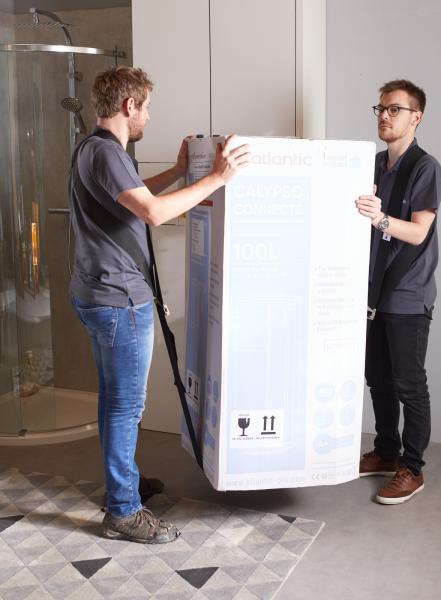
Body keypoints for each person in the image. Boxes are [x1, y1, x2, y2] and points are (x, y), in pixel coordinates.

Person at [68, 66, 249, 543]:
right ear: (129, 106)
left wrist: (176, 170)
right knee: (125, 406)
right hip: (119, 299)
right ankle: (124, 511)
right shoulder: (108, 153)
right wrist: (219, 177)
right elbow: (153, 211)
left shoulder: (94, 149)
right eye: (146, 106)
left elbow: (135, 197)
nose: (149, 115)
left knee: (115, 401)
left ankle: (122, 487)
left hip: (97, 293)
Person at [355, 79, 441, 505]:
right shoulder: (373, 164)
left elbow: (419, 231)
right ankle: (387, 451)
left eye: (395, 109)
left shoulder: (426, 168)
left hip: (408, 292)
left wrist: (381, 219)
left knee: (409, 384)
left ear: (416, 117)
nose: (385, 116)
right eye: (381, 109)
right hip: (372, 290)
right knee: (377, 378)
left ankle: (412, 468)